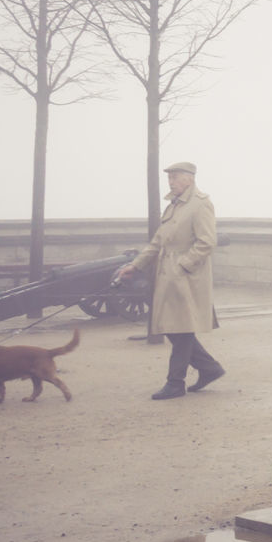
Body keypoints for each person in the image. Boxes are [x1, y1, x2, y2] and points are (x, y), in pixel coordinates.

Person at [117, 161, 225, 400]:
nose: (171, 182)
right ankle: (209, 368)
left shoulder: (200, 204)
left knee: (181, 329)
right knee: (176, 329)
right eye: (169, 178)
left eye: (175, 177)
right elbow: (157, 242)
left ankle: (175, 383)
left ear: (189, 178)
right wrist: (135, 266)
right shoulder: (174, 205)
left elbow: (207, 242)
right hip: (168, 276)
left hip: (186, 277)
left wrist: (182, 266)